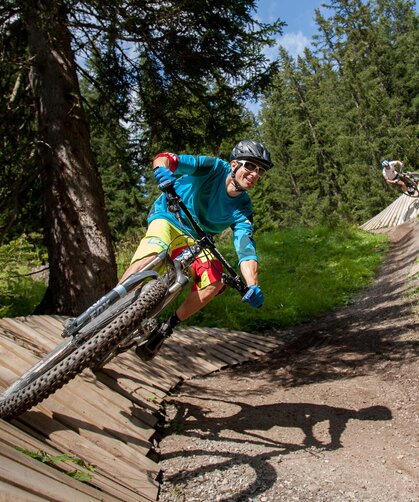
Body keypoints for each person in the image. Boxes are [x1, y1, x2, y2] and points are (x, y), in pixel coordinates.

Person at [119, 140, 273, 361]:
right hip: (169, 216)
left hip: (197, 240)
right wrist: (162, 171)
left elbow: (245, 248)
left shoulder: (243, 208)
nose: (254, 174)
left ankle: (165, 330)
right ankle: (114, 306)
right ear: (234, 164)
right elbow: (165, 158)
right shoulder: (212, 167)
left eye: (260, 171)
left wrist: (252, 285)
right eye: (250, 166)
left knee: (215, 282)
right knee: (151, 256)